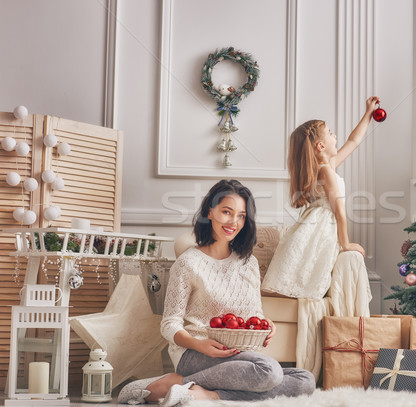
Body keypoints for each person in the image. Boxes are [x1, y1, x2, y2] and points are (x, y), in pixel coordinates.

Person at [118, 180, 315, 405]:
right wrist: (199, 344)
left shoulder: (247, 263)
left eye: (241, 215)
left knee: (305, 380)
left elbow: (254, 313)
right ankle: (181, 377)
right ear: (209, 212)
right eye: (226, 212)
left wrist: (266, 323)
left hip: (239, 353)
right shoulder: (188, 263)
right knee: (269, 371)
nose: (234, 222)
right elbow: (169, 324)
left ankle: (195, 389)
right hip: (195, 353)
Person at [261, 96, 379, 300]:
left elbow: (354, 141)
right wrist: (346, 243)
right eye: (331, 134)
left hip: (315, 225)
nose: (335, 136)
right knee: (307, 280)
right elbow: (339, 211)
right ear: (320, 146)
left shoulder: (324, 168)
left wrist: (368, 114)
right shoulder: (326, 171)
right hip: (321, 227)